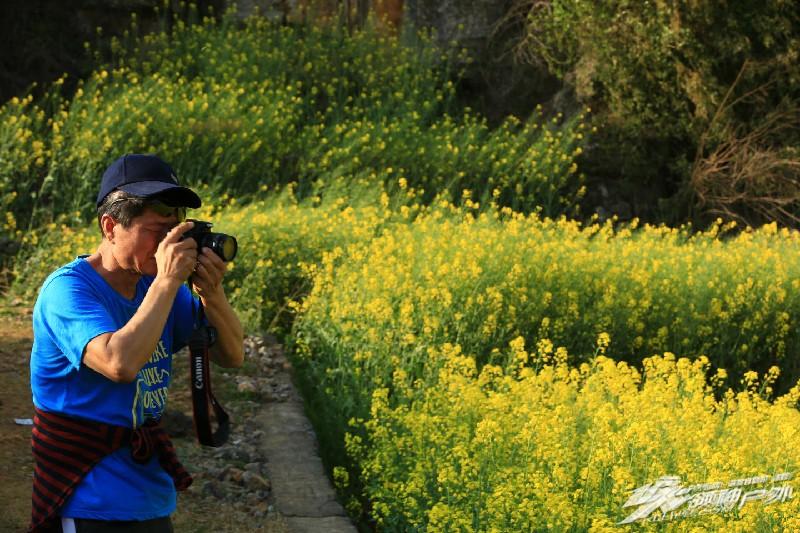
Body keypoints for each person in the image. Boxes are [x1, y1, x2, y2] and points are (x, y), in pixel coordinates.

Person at [28, 153, 244, 533]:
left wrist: (212, 294)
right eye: (157, 231)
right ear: (110, 227)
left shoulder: (155, 285)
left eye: (176, 231)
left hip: (149, 493)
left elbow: (232, 355)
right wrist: (166, 282)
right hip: (87, 496)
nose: (169, 245)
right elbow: (119, 363)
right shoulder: (67, 291)